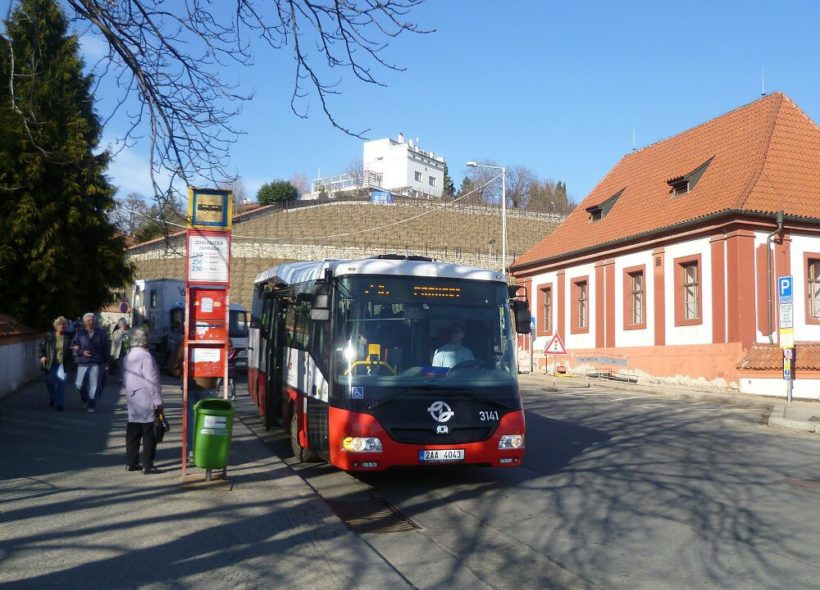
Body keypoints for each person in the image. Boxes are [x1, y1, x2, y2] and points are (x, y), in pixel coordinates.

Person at [122, 328, 164, 474]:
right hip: (145, 396)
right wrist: (158, 401)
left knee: (133, 431)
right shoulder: (146, 357)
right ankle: (148, 465)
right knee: (148, 432)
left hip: (132, 396)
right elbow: (151, 381)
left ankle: (131, 462)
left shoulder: (128, 356)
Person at [171, 339, 217, 460]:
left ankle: (192, 451)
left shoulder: (184, 340)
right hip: (209, 384)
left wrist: (183, 375)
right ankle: (208, 449)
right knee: (209, 419)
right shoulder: (214, 337)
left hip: (190, 384)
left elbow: (175, 365)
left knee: (191, 419)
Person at [70, 312, 109, 413]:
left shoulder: (101, 333)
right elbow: (73, 346)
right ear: (85, 322)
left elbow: (105, 348)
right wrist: (81, 352)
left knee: (93, 385)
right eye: (89, 320)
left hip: (95, 362)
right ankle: (85, 399)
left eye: (92, 320)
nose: (91, 321)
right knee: (79, 384)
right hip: (82, 361)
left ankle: (91, 405)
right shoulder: (80, 333)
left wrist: (106, 362)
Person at [38, 316, 75, 411]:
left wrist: (76, 348)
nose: (62, 326)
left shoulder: (69, 336)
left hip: (63, 363)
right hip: (51, 363)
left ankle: (60, 403)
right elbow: (41, 347)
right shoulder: (49, 336)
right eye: (59, 324)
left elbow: (76, 344)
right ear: (56, 326)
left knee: (62, 382)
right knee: (49, 381)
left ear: (66, 326)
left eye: (63, 324)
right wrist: (42, 356)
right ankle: (53, 396)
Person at [110, 318, 130, 382]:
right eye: (122, 324)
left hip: (128, 351)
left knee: (127, 365)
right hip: (119, 352)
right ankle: (121, 378)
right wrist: (112, 353)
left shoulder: (130, 332)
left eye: (124, 324)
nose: (123, 325)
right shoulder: (116, 332)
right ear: (119, 325)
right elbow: (113, 343)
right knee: (120, 366)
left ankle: (126, 377)